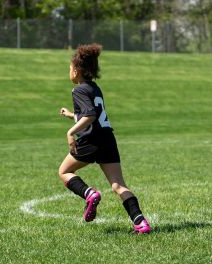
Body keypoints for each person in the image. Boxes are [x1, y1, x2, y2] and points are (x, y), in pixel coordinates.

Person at [58, 43, 151, 234]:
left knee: (64, 171)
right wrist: (71, 115)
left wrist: (69, 133)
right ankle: (141, 223)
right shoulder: (94, 88)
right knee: (118, 185)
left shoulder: (78, 90)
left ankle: (89, 194)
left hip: (90, 140)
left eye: (69, 68)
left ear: (76, 71)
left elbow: (90, 115)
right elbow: (93, 115)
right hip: (107, 139)